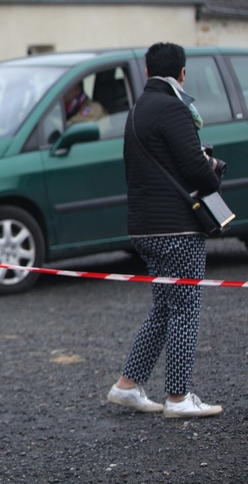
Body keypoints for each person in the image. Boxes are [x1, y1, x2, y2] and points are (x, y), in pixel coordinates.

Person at [107, 42, 224, 419]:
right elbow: (196, 171)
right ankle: (178, 397)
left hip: (144, 226)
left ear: (146, 72)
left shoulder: (137, 109)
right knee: (186, 307)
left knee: (164, 307)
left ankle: (127, 386)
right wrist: (212, 167)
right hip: (177, 227)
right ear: (183, 73)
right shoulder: (175, 109)